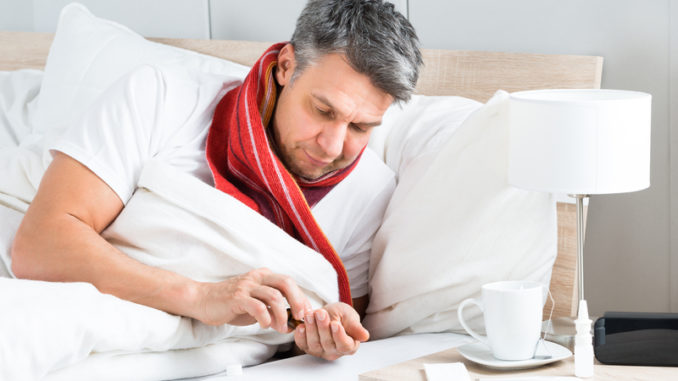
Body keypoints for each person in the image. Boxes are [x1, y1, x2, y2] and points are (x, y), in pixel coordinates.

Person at [10, 0, 422, 361]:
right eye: (323, 111)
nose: (333, 147)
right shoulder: (161, 97)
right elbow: (39, 245)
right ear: (286, 67)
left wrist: (320, 340)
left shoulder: (371, 193)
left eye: (361, 127)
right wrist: (201, 297)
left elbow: (320, 333)